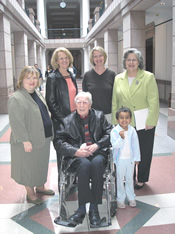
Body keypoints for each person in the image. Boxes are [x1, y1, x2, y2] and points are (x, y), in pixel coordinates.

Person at [54, 91, 113, 227]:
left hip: (97, 153)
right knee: (84, 165)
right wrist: (75, 151)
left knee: (98, 163)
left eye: (85, 102)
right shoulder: (68, 120)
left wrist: (97, 145)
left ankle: (93, 209)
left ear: (90, 104)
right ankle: (81, 210)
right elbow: (58, 142)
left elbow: (110, 132)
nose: (81, 105)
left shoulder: (99, 116)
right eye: (79, 103)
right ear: (75, 104)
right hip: (78, 157)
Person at [112, 48, 159, 190]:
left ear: (139, 62)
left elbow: (154, 100)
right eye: (128, 60)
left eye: (134, 59)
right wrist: (116, 123)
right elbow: (115, 101)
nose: (131, 62)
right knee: (127, 151)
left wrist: (151, 121)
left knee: (144, 151)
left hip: (143, 122)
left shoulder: (148, 77)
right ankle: (129, 176)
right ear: (124, 62)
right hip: (125, 122)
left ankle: (142, 178)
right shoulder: (118, 78)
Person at [8, 66, 54, 205]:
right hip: (28, 140)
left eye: (34, 77)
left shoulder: (37, 93)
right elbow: (17, 123)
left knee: (40, 164)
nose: (32, 80)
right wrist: (25, 141)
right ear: (22, 79)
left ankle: (40, 187)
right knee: (28, 166)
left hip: (42, 137)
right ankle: (30, 193)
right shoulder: (16, 98)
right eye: (28, 78)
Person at [45, 47, 78, 170]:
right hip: (61, 122)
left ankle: (74, 179)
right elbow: (51, 102)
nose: (64, 60)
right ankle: (63, 183)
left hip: (75, 120)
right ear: (56, 61)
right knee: (63, 153)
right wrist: (64, 120)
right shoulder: (53, 77)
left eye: (66, 57)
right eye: (61, 58)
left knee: (75, 150)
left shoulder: (72, 76)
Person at [110, 107, 140, 209]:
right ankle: (120, 199)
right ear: (117, 119)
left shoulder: (132, 131)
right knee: (119, 180)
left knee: (129, 179)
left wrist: (137, 158)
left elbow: (136, 145)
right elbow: (115, 145)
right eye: (121, 118)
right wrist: (121, 138)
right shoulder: (115, 131)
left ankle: (131, 197)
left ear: (130, 119)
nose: (124, 120)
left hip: (130, 160)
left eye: (127, 117)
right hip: (119, 161)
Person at [82, 46, 116, 123]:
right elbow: (85, 97)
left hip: (109, 115)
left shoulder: (112, 75)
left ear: (104, 56)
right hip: (93, 115)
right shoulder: (87, 75)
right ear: (92, 59)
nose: (98, 59)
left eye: (100, 55)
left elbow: (115, 96)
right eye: (95, 56)